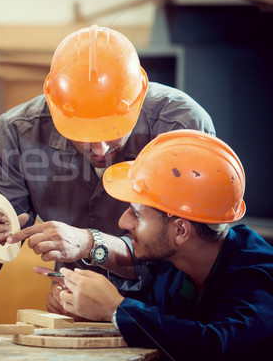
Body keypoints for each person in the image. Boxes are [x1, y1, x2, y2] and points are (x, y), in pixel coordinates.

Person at [0, 24, 215, 315]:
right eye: (82, 134)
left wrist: (91, 244)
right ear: (56, 109)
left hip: (172, 315)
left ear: (137, 100)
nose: (100, 149)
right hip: (73, 312)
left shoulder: (180, 125)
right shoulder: (19, 132)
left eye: (113, 131)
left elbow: (195, 249)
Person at [56, 129, 273, 360]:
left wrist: (115, 309)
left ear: (180, 230)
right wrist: (90, 309)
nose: (123, 221)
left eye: (137, 214)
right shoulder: (172, 265)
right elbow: (166, 328)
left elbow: (214, 345)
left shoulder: (259, 277)